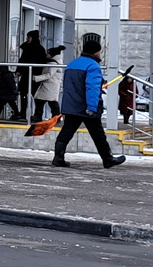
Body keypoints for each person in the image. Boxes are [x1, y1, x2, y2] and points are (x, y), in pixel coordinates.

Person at [53, 33, 127, 169]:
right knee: (98, 135)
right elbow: (91, 88)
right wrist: (92, 107)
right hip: (87, 107)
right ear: (96, 52)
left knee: (66, 132)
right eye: (99, 51)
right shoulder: (93, 66)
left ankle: (58, 157)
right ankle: (107, 159)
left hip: (72, 106)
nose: (100, 54)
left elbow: (71, 86)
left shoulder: (71, 65)